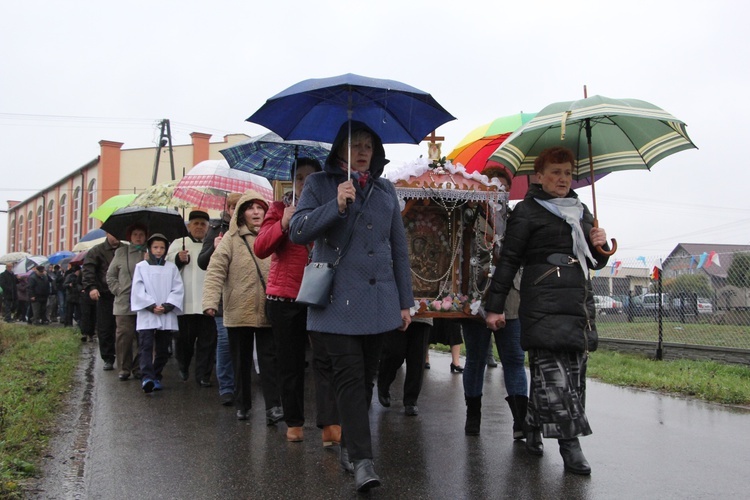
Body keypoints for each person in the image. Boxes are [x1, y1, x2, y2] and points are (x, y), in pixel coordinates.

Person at [289, 121, 413, 493]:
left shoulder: (385, 189)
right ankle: (363, 461)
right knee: (348, 378)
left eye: (368, 146)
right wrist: (335, 204)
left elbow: (398, 248)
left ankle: (349, 444)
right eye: (354, 144)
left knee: (365, 380)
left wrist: (405, 301)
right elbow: (298, 231)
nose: (362, 151)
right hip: (337, 303)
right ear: (339, 149)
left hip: (379, 302)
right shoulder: (320, 185)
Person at [485, 146, 610, 476]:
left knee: (575, 376)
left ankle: (531, 423)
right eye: (555, 172)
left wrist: (601, 244)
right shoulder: (527, 212)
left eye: (568, 173)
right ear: (538, 177)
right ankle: (570, 445)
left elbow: (594, 260)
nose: (563, 179)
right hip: (542, 303)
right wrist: (494, 307)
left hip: (578, 304)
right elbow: (509, 260)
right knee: (554, 378)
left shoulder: (581, 211)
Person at [254, 158, 342, 445]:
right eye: (300, 177)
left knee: (325, 360)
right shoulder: (280, 209)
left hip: (319, 295)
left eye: (311, 176)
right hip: (285, 297)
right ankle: (294, 421)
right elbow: (262, 247)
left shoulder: (329, 209)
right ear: (291, 180)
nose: (305, 181)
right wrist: (283, 222)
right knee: (290, 363)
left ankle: (329, 423)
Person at [202, 190, 283, 425]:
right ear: (241, 213)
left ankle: (273, 407)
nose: (256, 212)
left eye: (260, 207)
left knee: (270, 360)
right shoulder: (230, 239)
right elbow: (215, 270)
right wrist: (210, 301)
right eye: (250, 208)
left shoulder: (274, 235)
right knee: (241, 361)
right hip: (238, 310)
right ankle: (243, 404)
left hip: (269, 309)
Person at [461, 166, 528, 438]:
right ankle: (473, 415)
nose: (497, 192)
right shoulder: (468, 216)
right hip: (475, 297)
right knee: (475, 358)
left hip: (510, 298)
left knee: (513, 357)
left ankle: (520, 422)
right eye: (492, 187)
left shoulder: (517, 221)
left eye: (502, 188)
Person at [198, 192, 241, 406]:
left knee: (240, 343)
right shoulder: (215, 229)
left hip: (244, 294)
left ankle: (239, 384)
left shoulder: (250, 231)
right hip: (224, 297)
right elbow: (202, 262)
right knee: (224, 341)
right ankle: (226, 386)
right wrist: (215, 247)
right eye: (233, 207)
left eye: (240, 207)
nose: (236, 211)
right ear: (228, 209)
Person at [131, 233, 184, 393]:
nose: (159, 250)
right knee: (146, 345)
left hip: (165, 312)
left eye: (162, 247)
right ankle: (147, 376)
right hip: (148, 313)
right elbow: (138, 289)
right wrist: (151, 305)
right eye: (155, 247)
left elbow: (178, 288)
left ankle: (156, 374)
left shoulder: (172, 268)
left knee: (163, 348)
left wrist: (167, 306)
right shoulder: (141, 267)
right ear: (150, 248)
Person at [169, 210, 216, 388]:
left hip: (206, 301)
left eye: (203, 224)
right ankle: (183, 364)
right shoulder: (179, 244)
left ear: (208, 227)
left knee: (207, 342)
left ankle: (203, 375)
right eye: (195, 223)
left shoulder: (212, 244)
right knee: (184, 341)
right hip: (186, 302)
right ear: (189, 226)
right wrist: (178, 259)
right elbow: (165, 268)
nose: (199, 227)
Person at [106, 223, 147, 381]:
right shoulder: (121, 252)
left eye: (141, 234)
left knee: (143, 336)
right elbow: (110, 275)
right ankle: (124, 368)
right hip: (124, 302)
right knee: (124, 335)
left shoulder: (149, 252)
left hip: (144, 302)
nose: (138, 237)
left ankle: (139, 367)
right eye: (135, 234)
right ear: (130, 236)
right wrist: (118, 290)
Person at [377, 317, 431, 416]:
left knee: (417, 359)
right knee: (394, 353)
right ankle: (383, 385)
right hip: (396, 314)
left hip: (422, 316)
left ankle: (411, 401)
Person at [82, 232, 120, 370]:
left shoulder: (125, 249)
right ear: (107, 233)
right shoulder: (97, 251)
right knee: (105, 327)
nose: (116, 237)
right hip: (105, 294)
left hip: (123, 294)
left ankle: (125, 357)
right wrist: (91, 287)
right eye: (113, 234)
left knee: (123, 328)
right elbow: (88, 270)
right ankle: (108, 358)